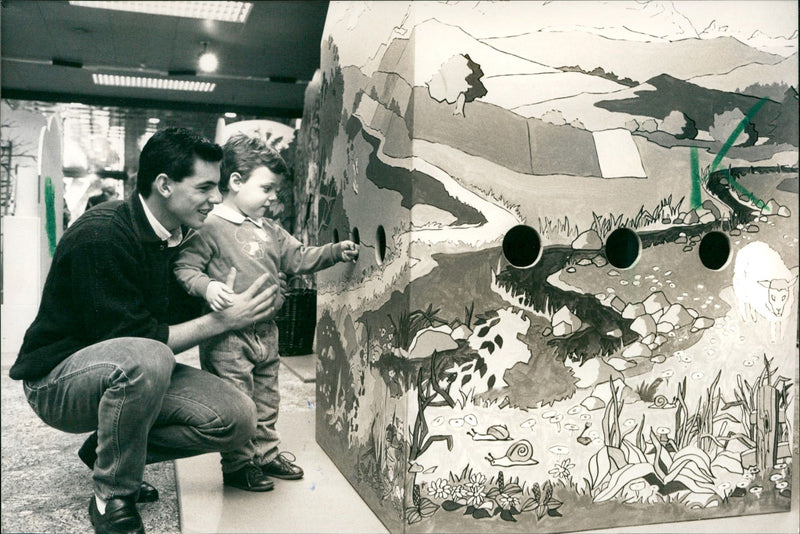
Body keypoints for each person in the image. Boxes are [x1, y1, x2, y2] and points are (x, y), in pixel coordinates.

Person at [9, 127, 281, 534]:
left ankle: (110, 450)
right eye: (205, 187)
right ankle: (112, 494)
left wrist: (227, 288)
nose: (216, 198)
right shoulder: (102, 234)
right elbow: (138, 339)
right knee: (149, 354)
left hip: (124, 367)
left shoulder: (177, 237)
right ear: (165, 185)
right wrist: (224, 320)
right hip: (56, 382)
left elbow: (169, 314)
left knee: (237, 418)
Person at [173, 133, 358, 492]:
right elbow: (184, 268)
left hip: (266, 332)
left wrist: (335, 251)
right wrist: (208, 288)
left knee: (268, 396)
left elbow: (300, 257)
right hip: (227, 336)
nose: (274, 198)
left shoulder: (270, 230)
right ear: (236, 182)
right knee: (238, 399)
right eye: (267, 189)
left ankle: (267, 453)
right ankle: (239, 465)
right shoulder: (210, 226)